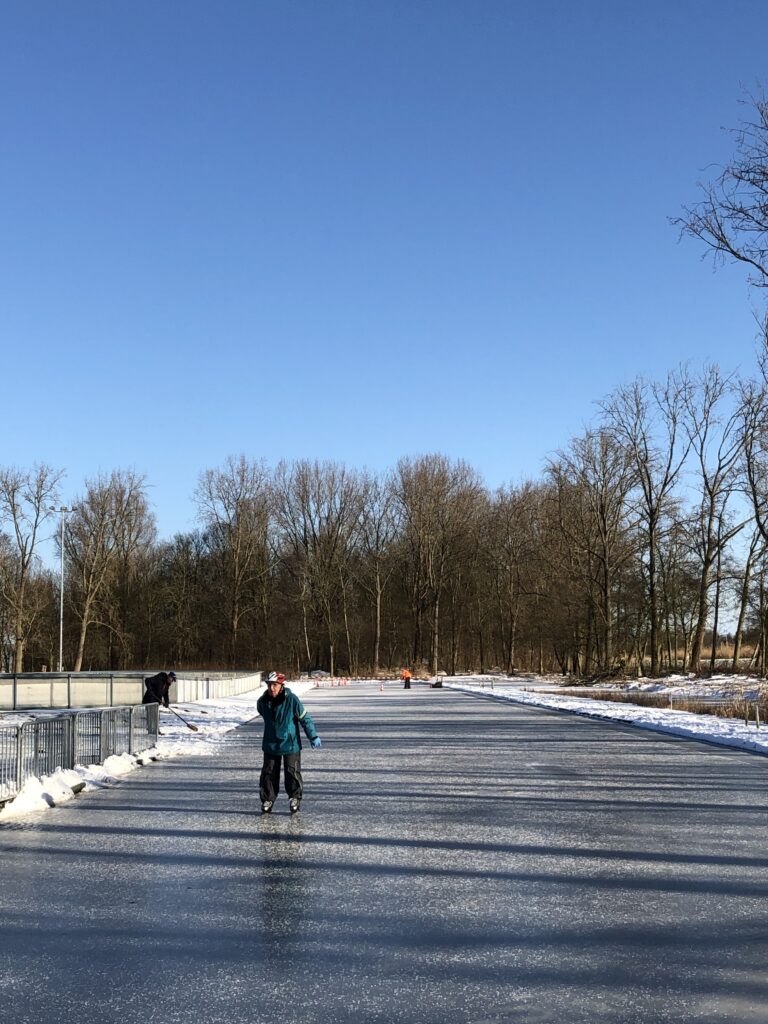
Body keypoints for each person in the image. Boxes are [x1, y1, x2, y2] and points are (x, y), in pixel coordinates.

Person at [257, 671, 321, 815]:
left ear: (281, 685)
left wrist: (313, 736)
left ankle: (295, 797)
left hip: (290, 744)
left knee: (292, 771)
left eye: (274, 685)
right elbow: (261, 712)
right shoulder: (262, 702)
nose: (272, 688)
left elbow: (305, 718)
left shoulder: (292, 700)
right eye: (269, 685)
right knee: (268, 773)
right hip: (270, 744)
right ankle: (268, 799)